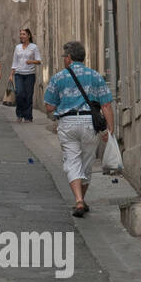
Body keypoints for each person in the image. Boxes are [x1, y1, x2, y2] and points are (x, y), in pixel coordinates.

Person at [44, 40, 115, 218]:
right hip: (89, 123)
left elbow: (49, 107)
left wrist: (63, 102)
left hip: (67, 123)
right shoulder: (95, 75)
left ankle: (78, 200)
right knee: (87, 164)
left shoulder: (58, 77)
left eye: (64, 57)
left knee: (72, 161)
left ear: (68, 58)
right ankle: (81, 199)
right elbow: (106, 104)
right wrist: (110, 129)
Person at [9, 27, 41, 123]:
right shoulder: (17, 47)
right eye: (21, 34)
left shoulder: (34, 47)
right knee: (19, 94)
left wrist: (31, 61)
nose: (21, 36)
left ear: (28, 36)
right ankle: (19, 114)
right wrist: (11, 74)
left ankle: (28, 117)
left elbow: (39, 61)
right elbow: (14, 61)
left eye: (23, 34)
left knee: (28, 95)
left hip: (30, 75)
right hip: (18, 74)